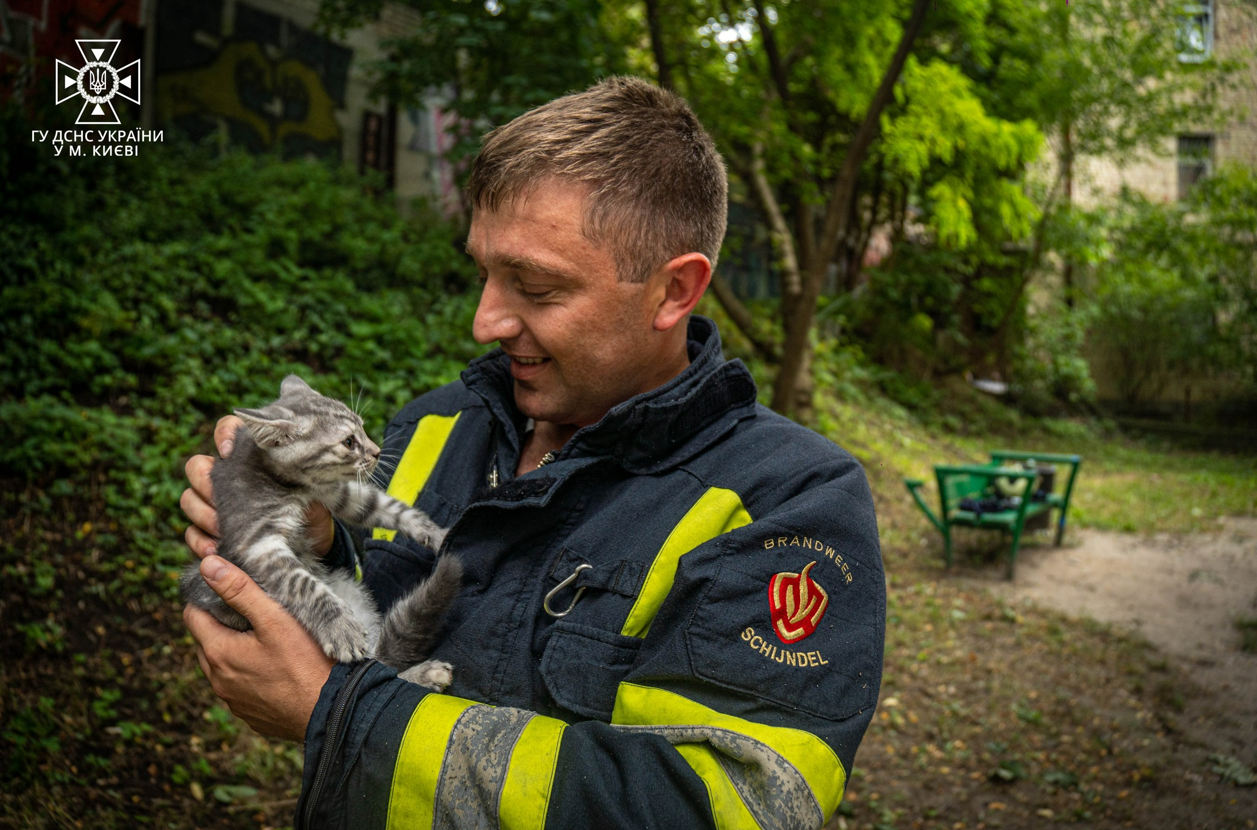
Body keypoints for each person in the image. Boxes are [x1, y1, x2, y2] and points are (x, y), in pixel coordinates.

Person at [181, 76, 885, 830]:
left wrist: (339, 715)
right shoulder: (435, 426)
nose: (484, 321)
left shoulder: (789, 501)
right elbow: (377, 627)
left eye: (535, 287)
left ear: (674, 291)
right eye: (483, 271)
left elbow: (725, 807)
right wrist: (316, 548)